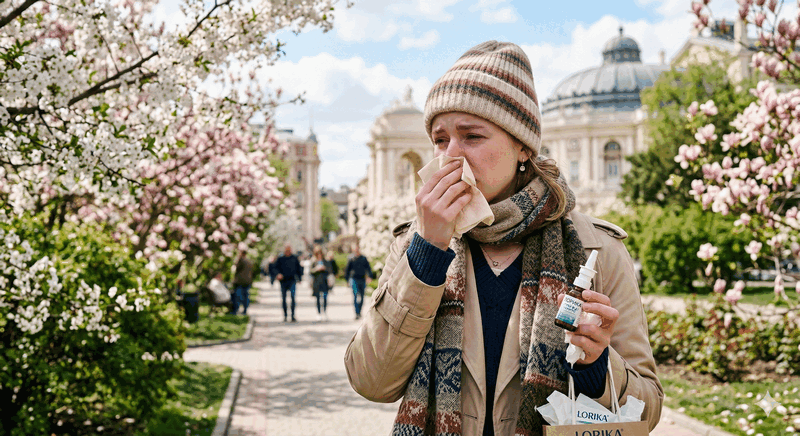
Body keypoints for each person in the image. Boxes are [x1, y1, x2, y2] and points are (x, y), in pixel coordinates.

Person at [344, 41, 663, 436]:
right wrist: (427, 253)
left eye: (472, 136)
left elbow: (646, 411)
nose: (450, 156)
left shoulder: (597, 249)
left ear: (522, 147)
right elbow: (372, 382)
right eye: (440, 140)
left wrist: (596, 364)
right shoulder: (415, 244)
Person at [344, 243, 374, 320]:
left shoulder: (363, 258)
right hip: (354, 279)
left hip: (362, 279)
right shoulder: (351, 258)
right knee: (356, 295)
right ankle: (356, 313)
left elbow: (368, 268)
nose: (356, 250)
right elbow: (347, 270)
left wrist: (370, 277)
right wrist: (347, 280)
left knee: (362, 296)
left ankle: (359, 312)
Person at [275, 243, 303, 322]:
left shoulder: (294, 258)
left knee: (293, 298)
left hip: (292, 280)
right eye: (286, 250)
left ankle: (293, 315)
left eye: (289, 249)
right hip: (283, 281)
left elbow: (299, 268)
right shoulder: (280, 258)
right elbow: (275, 268)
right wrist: (278, 274)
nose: (288, 251)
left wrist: (300, 279)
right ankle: (285, 315)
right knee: (284, 299)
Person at [310, 245, 332, 321]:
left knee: (325, 298)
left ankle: (324, 312)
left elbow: (330, 270)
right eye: (317, 253)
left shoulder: (326, 261)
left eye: (320, 253)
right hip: (316, 283)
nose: (319, 255)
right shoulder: (313, 261)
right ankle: (319, 313)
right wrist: (316, 269)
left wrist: (324, 268)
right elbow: (311, 272)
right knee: (318, 298)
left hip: (324, 282)